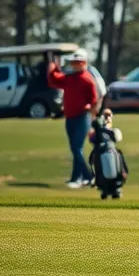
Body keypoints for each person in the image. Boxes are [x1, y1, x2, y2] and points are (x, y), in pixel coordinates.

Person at [46, 50, 99, 189]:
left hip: (83, 117)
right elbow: (54, 81)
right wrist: (52, 68)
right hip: (70, 117)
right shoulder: (70, 78)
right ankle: (77, 178)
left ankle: (88, 176)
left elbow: (94, 100)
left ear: (84, 63)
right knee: (76, 149)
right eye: (73, 63)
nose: (75, 65)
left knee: (76, 148)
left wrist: (90, 112)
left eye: (78, 63)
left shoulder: (87, 79)